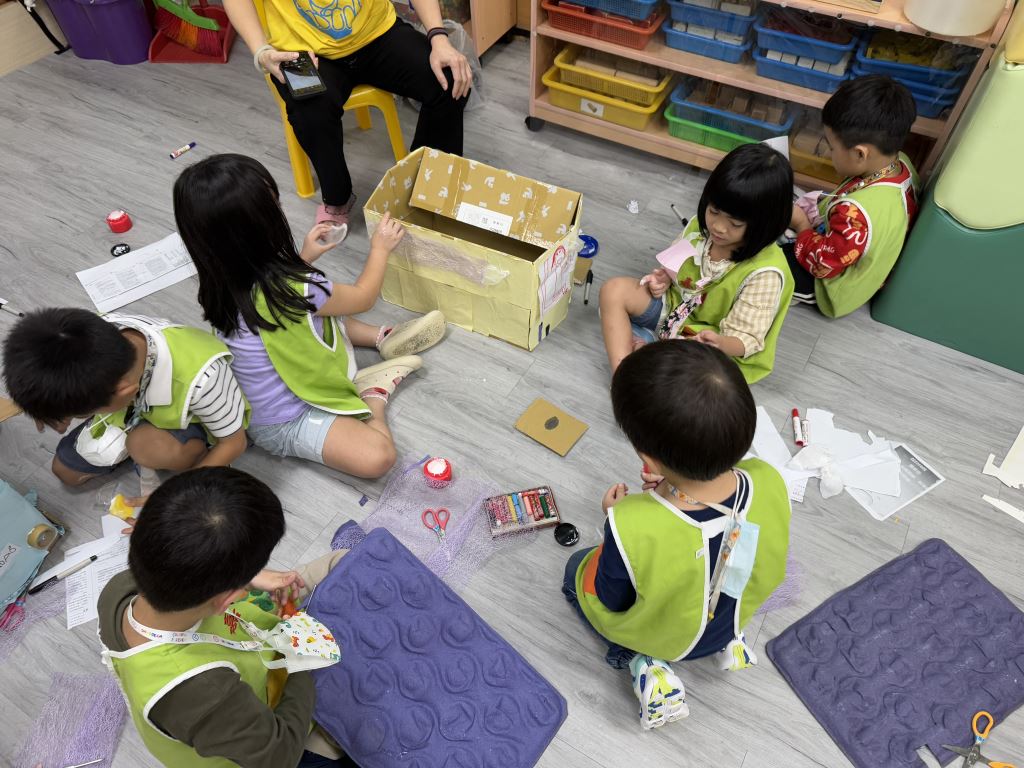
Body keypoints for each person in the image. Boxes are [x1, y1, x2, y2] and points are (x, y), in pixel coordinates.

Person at [562, 341, 791, 730]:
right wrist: (671, 489)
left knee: (574, 570)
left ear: (647, 459)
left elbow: (612, 599)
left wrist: (616, 519)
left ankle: (644, 662)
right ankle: (730, 641)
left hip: (671, 639)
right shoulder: (768, 479)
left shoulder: (629, 522)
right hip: (731, 616)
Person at [175, 153, 446, 479]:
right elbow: (363, 297)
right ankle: (373, 392)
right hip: (285, 420)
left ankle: (382, 337)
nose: (280, 208)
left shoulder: (221, 279)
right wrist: (380, 249)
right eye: (274, 205)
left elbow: (280, 305)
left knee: (321, 314)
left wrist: (304, 256)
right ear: (259, 227)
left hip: (269, 389)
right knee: (379, 457)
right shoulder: (295, 288)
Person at [99, 466, 354, 767]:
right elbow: (280, 755)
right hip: (267, 744)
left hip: (243, 649)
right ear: (228, 599)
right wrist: (301, 660)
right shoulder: (202, 693)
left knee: (343, 561)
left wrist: (252, 577)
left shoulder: (118, 590)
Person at [224, 0, 472, 227]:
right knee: (311, 113)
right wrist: (261, 52)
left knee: (450, 80)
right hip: (301, 51)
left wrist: (439, 37)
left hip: (377, 32)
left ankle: (430, 183)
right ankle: (337, 198)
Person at [599, 143, 794, 384]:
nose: (718, 227)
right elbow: (675, 268)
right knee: (613, 291)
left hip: (713, 346)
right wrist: (663, 279)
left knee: (697, 378)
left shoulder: (765, 273)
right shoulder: (699, 228)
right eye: (714, 211)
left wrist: (718, 342)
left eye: (734, 224)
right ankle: (623, 375)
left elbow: (746, 339)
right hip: (674, 312)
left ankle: (644, 349)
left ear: (765, 225)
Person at [2, 308, 249, 488]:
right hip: (130, 407)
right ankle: (136, 441)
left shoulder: (203, 378)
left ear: (125, 391)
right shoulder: (85, 337)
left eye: (79, 414)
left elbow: (234, 443)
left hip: (189, 418)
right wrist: (45, 407)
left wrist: (179, 491)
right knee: (66, 473)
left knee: (142, 446)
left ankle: (185, 453)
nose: (71, 419)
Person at [787, 75, 919, 317]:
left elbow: (822, 264)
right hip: (844, 240)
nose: (827, 152)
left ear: (860, 154)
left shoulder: (857, 213)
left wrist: (801, 225)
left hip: (830, 284)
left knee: (765, 259)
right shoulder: (902, 164)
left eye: (831, 146)